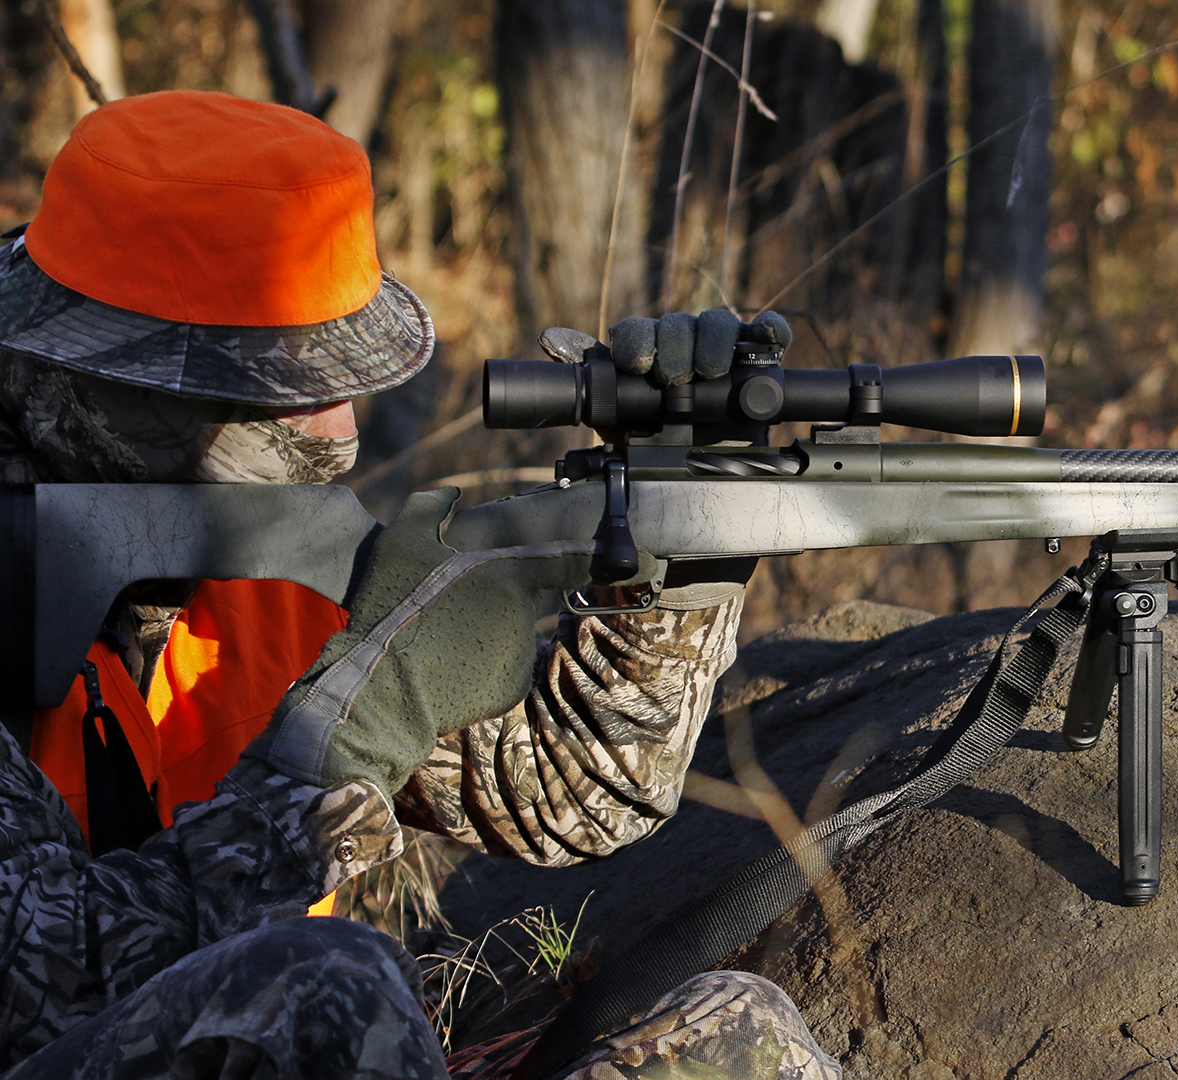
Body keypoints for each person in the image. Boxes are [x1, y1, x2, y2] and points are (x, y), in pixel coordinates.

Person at [0, 90, 839, 1079]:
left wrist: (673, 560)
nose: (340, 428)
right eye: (287, 381)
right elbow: (44, 986)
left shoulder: (263, 555)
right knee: (326, 984)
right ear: (121, 382)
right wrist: (324, 757)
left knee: (736, 1038)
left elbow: (581, 793)